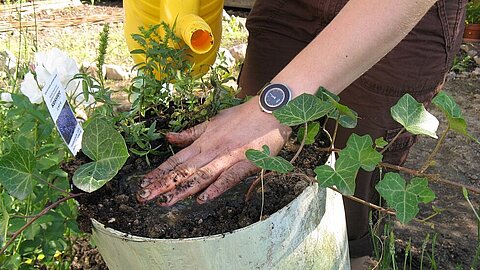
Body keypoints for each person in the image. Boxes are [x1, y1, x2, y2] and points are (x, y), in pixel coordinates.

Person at [137, 0, 467, 268]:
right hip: (290, 9)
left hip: (393, 14)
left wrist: (268, 111)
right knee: (248, 181)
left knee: (354, 206)